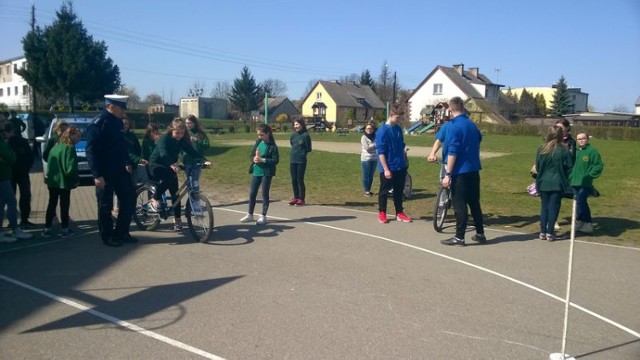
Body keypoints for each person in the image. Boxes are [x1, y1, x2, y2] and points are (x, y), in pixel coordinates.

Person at [85, 94, 138, 247]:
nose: (123, 112)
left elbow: (122, 147)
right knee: (105, 206)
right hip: (105, 172)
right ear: (111, 106)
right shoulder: (98, 124)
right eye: (121, 108)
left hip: (120, 170)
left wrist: (127, 161)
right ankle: (107, 236)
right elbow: (91, 151)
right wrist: (97, 174)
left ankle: (122, 232)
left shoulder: (118, 122)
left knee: (129, 199)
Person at [148, 118, 211, 231]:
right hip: (156, 165)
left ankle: (177, 220)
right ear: (171, 130)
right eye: (177, 132)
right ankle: (155, 199)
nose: (179, 135)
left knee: (175, 194)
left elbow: (192, 151)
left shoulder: (181, 140)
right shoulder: (164, 138)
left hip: (171, 166)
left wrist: (203, 161)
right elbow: (163, 154)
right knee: (168, 177)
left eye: (182, 133)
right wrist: (171, 164)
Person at [440, 97, 485, 246]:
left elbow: (453, 152)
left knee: (460, 204)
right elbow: (479, 139)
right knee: (474, 203)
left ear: (451, 110)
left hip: (460, 171)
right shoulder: (472, 125)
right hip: (473, 169)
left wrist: (448, 174)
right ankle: (480, 233)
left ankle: (459, 237)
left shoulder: (454, 126)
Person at [42, 127, 81, 238]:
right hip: (64, 182)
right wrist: (75, 179)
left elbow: (49, 162)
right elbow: (70, 168)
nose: (78, 140)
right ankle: (64, 229)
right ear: (72, 136)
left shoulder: (56, 146)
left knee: (52, 204)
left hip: (53, 181)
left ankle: (47, 228)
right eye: (78, 137)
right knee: (64, 205)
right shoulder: (69, 148)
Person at [376, 106, 412, 224]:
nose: (399, 120)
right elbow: (381, 152)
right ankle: (382, 212)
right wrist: (386, 169)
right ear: (391, 115)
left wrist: (404, 159)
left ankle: (399, 212)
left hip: (399, 166)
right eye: (397, 117)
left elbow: (401, 146)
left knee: (399, 190)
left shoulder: (398, 129)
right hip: (388, 166)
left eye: (400, 117)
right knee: (384, 191)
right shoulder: (382, 131)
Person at [535, 128, 572, 241]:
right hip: (557, 183)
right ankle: (550, 232)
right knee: (553, 208)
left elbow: (538, 166)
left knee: (544, 207)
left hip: (543, 182)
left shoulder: (541, 149)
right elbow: (569, 168)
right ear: (561, 137)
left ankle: (542, 231)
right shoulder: (564, 150)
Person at [0, 121, 33, 243]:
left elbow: (27, 157)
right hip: (6, 176)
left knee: (21, 197)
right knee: (9, 201)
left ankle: (21, 222)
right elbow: (10, 156)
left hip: (18, 174)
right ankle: (13, 226)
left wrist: (25, 169)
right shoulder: (3, 142)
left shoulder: (19, 141)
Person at [240, 124, 279, 225]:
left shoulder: (273, 146)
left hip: (266, 173)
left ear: (268, 133)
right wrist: (253, 158)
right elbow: (252, 154)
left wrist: (263, 160)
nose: (259, 137)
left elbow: (275, 160)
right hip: (256, 171)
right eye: (258, 135)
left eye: (262, 135)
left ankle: (263, 216)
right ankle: (250, 214)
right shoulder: (258, 142)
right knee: (252, 193)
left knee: (264, 194)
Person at [569, 132, 603, 234]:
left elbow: (598, 166)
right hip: (573, 181)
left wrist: (589, 175)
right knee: (578, 202)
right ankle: (579, 222)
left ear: (587, 139)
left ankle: (588, 223)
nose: (581, 141)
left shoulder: (592, 151)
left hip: (585, 183)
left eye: (583, 139)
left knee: (581, 201)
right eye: (579, 139)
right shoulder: (574, 151)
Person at [7, 122, 35, 227]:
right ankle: (12, 221)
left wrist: (26, 169)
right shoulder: (5, 143)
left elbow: (30, 157)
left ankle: (24, 219)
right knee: (10, 198)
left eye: (8, 132)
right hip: (9, 175)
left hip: (21, 173)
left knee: (25, 196)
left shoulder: (22, 142)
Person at [183, 114, 210, 196]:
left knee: (195, 182)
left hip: (197, 161)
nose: (188, 125)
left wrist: (197, 140)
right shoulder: (184, 133)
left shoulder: (200, 133)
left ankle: (195, 201)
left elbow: (207, 145)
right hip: (187, 161)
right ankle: (190, 202)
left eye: (190, 123)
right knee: (189, 182)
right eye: (186, 123)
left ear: (194, 123)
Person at [288, 117, 312, 206]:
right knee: (293, 180)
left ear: (302, 125)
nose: (296, 126)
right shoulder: (293, 135)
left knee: (299, 179)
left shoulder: (305, 136)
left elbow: (308, 148)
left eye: (297, 124)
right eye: (294, 125)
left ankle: (301, 199)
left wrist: (302, 153)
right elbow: (292, 144)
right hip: (293, 160)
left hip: (301, 161)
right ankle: (296, 197)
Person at [360, 123, 377, 197]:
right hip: (366, 159)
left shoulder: (376, 136)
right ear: (365, 129)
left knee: (371, 175)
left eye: (370, 128)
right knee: (366, 175)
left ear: (373, 129)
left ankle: (369, 190)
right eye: (367, 128)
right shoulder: (363, 137)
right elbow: (367, 148)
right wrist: (375, 145)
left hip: (374, 158)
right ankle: (366, 191)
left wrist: (373, 146)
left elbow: (380, 144)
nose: (369, 130)